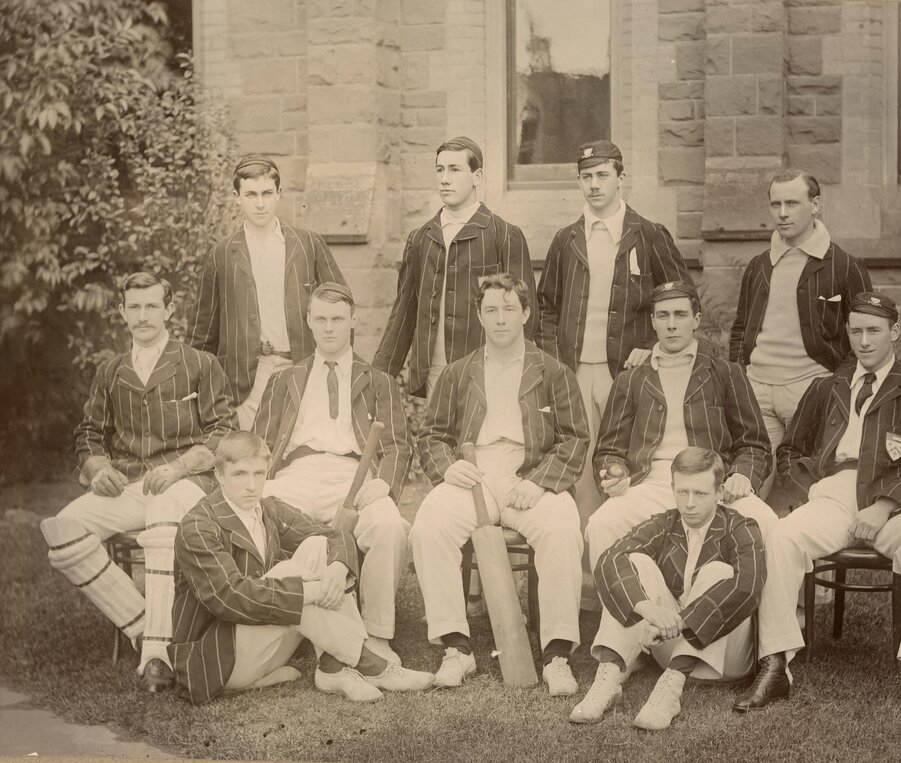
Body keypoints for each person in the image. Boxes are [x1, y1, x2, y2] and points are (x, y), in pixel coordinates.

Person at [733, 292, 901, 725]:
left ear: (895, 332)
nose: (864, 341)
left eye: (874, 331)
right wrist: (811, 489)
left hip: (895, 498)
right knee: (781, 537)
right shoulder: (828, 386)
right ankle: (775, 664)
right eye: (856, 331)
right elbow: (791, 449)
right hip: (833, 493)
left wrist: (886, 505)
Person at [40, 272, 237, 693]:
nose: (143, 315)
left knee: (164, 505)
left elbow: (223, 431)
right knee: (60, 530)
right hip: (130, 482)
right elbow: (89, 432)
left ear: (169, 310)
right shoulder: (111, 370)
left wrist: (180, 467)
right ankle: (144, 624)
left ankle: (156, 655)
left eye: (152, 306)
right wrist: (97, 469)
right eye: (135, 307)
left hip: (187, 483)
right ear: (123, 312)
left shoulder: (200, 363)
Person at [409, 273, 589, 695]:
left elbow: (576, 438)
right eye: (491, 310)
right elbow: (432, 434)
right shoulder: (458, 372)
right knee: (428, 527)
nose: (501, 318)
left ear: (525, 313)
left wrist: (542, 482)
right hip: (473, 471)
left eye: (509, 309)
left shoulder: (553, 371)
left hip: (530, 470)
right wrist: (447, 468)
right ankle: (457, 647)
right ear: (479, 315)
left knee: (562, 529)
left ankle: (557, 653)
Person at [536, 139, 693, 599]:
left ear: (621, 178)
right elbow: (547, 306)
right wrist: (553, 362)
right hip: (573, 374)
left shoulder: (648, 234)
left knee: (624, 468)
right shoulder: (567, 239)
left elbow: (679, 296)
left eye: (603, 175)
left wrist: (649, 344)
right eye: (586, 177)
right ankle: (589, 585)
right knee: (581, 473)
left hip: (626, 374)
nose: (594, 185)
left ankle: (637, 573)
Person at [169, 431, 434, 705]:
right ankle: (371, 664)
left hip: (264, 643)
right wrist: (314, 592)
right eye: (240, 474)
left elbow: (335, 536)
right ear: (219, 475)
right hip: (216, 660)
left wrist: (338, 568)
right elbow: (231, 597)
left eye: (259, 474)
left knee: (318, 545)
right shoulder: (198, 526)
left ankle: (334, 668)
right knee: (287, 575)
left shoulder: (267, 509)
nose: (251, 485)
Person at [252, 282, 411, 664]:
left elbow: (398, 446)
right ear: (308, 321)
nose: (329, 328)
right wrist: (259, 482)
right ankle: (267, 627)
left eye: (337, 319)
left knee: (388, 524)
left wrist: (383, 483)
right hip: (296, 474)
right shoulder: (284, 379)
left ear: (353, 320)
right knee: (254, 517)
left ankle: (376, 635)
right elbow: (260, 441)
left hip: (352, 476)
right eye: (320, 319)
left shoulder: (378, 381)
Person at [587, 280, 778, 580]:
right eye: (663, 316)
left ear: (696, 320)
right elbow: (609, 450)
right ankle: (621, 621)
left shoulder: (726, 373)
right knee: (601, 524)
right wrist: (614, 473)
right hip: (649, 483)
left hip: (713, 485)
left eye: (680, 315)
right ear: (652, 322)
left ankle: (773, 627)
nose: (672, 325)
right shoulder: (632, 379)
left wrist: (742, 474)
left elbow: (754, 443)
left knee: (767, 522)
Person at [571, 447, 765, 729]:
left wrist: (679, 622)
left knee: (719, 571)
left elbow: (747, 586)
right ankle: (609, 678)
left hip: (727, 659)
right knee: (633, 562)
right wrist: (646, 608)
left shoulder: (741, 527)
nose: (689, 503)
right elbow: (609, 560)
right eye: (682, 492)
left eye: (700, 494)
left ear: (719, 493)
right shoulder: (665, 523)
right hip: (671, 646)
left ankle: (671, 690)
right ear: (672, 489)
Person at [729, 169, 871, 494]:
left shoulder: (845, 266)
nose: (782, 213)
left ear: (816, 204)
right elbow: (740, 329)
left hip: (809, 391)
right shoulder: (758, 266)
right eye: (775, 204)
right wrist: (739, 377)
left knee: (802, 490)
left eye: (792, 203)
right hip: (757, 390)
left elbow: (865, 335)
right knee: (748, 490)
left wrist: (836, 385)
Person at [187, 154, 348, 429]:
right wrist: (196, 384)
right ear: (237, 197)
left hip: (301, 366)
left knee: (301, 448)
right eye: (250, 195)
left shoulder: (306, 243)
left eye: (266, 193)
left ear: (279, 194)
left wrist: (339, 367)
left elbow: (342, 307)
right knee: (250, 454)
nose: (260, 204)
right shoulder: (224, 253)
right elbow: (204, 331)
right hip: (247, 376)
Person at [373, 137, 537, 400]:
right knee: (438, 440)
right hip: (434, 372)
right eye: (440, 170)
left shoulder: (504, 235)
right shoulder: (421, 238)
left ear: (477, 176)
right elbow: (404, 311)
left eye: (455, 169)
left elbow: (526, 317)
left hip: (489, 371)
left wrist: (518, 374)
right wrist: (379, 376)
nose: (444, 179)